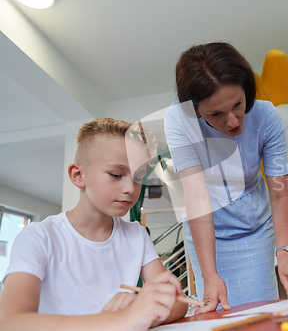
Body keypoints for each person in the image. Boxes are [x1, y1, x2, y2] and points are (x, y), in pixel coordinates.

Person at [164, 42, 288, 313]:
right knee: (215, 309)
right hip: (206, 229)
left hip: (255, 227)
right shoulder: (178, 119)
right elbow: (196, 195)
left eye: (238, 105)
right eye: (217, 114)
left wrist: (285, 251)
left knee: (259, 312)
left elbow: (279, 191)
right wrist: (209, 275)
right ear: (196, 111)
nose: (233, 121)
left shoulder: (266, 115)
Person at [0, 118, 188, 331]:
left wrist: (140, 311)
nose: (130, 188)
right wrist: (123, 320)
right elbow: (10, 323)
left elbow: (180, 302)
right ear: (78, 176)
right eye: (116, 175)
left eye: (138, 177)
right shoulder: (39, 237)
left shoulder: (136, 234)